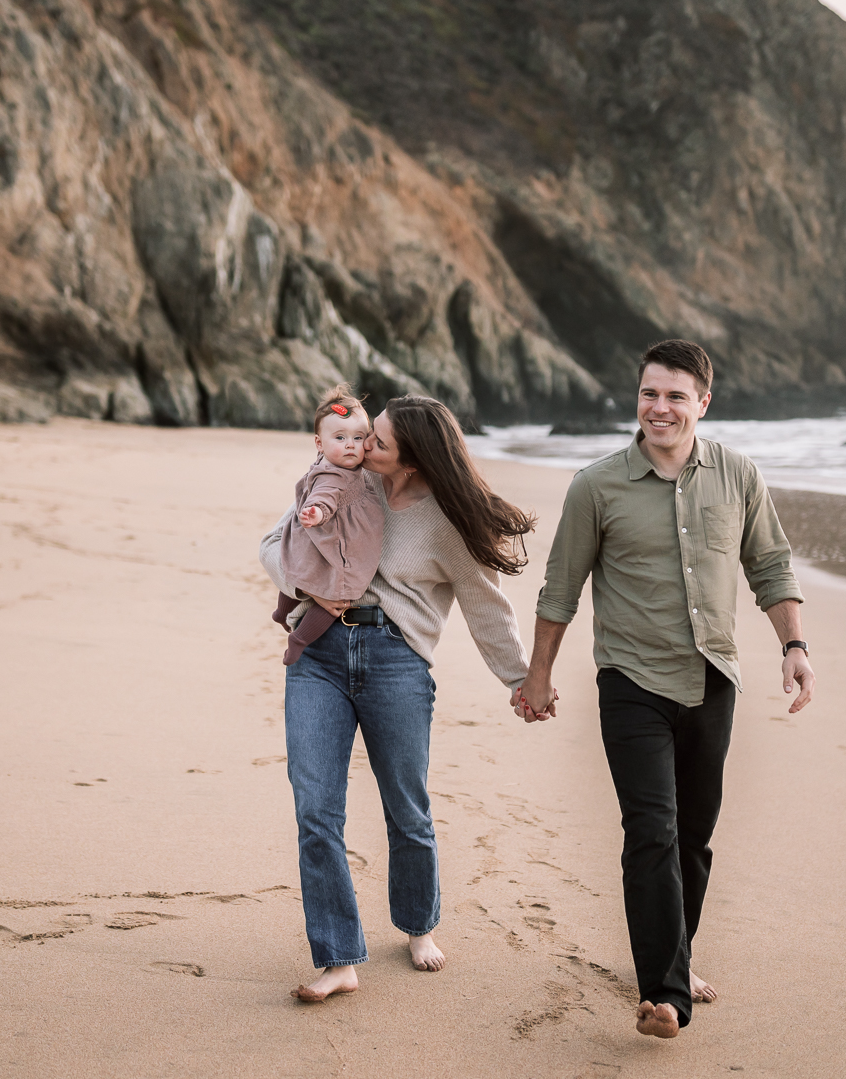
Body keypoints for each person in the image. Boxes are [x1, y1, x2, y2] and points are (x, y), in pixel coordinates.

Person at [513, 339, 816, 1040]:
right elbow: (560, 588)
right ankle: (664, 994)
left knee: (694, 838)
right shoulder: (596, 486)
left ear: (702, 403)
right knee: (650, 829)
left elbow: (768, 565)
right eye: (650, 393)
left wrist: (793, 647)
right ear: (636, 397)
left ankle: (674, 956)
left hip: (712, 679)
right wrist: (538, 674)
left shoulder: (737, 476)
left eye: (676, 396)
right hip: (631, 681)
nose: (660, 407)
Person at [259, 394, 535, 1003]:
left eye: (377, 440)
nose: (362, 444)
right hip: (319, 656)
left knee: (407, 810)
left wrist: (521, 678)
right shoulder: (337, 481)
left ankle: (417, 925)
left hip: (396, 663)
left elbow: (485, 603)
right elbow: (271, 546)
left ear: (408, 458)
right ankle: (338, 958)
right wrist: (309, 587)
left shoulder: (443, 522)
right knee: (315, 811)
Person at [271, 386, 386, 667]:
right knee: (339, 593)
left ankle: (281, 611)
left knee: (298, 569)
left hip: (310, 543)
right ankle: (299, 639)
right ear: (319, 443)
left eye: (358, 438)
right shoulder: (335, 476)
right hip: (328, 537)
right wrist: (317, 513)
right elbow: (326, 497)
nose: (350, 445)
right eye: (340, 438)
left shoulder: (328, 464)